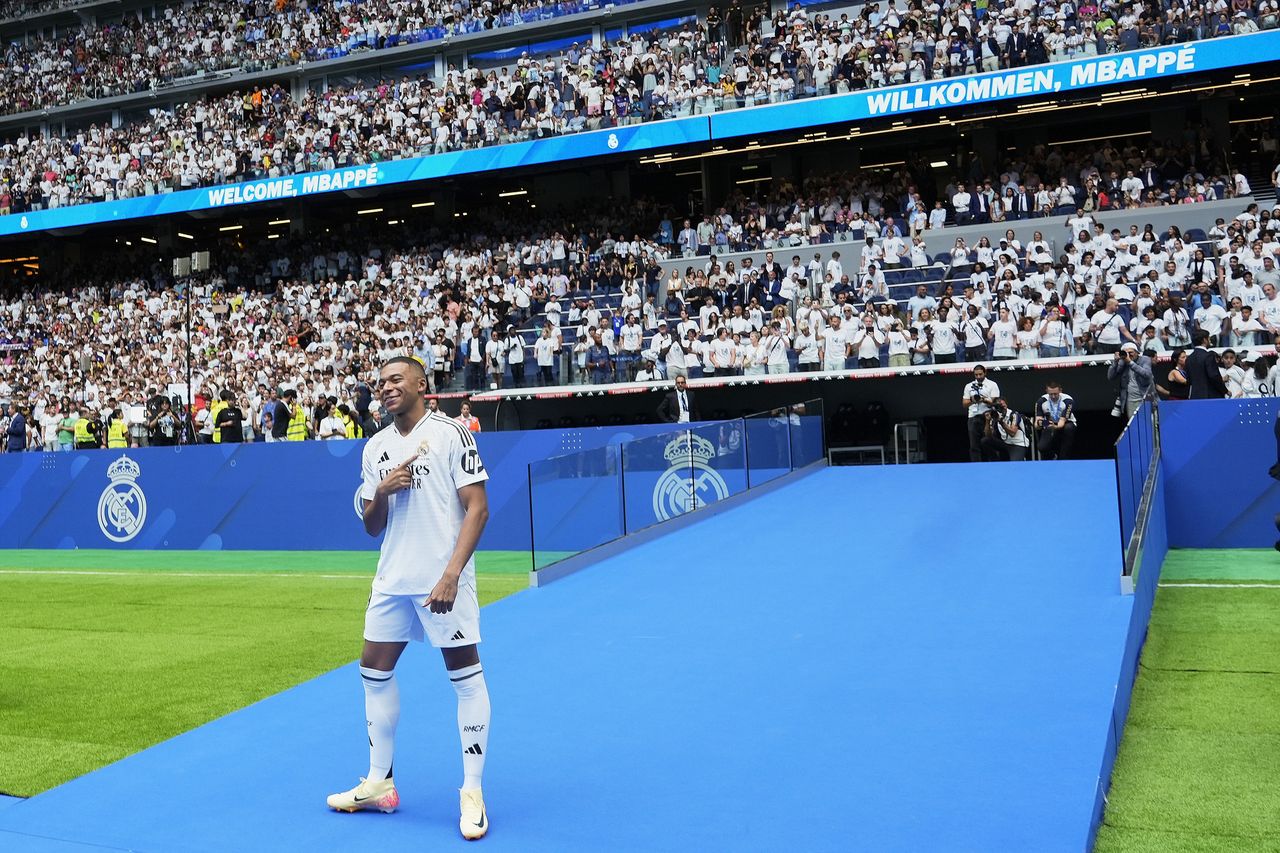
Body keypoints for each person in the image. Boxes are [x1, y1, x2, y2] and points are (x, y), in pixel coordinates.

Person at [327, 356, 492, 841]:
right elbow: (371, 526)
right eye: (381, 383)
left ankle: (473, 790)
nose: (387, 388)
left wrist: (452, 575)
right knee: (372, 670)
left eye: (396, 379)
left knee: (465, 678)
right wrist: (381, 491)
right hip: (392, 578)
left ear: (422, 384)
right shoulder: (376, 446)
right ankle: (379, 782)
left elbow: (478, 509)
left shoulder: (451, 433)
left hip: (442, 578)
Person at [963, 365, 1000, 462]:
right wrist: (973, 400)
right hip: (973, 416)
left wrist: (984, 399)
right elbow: (964, 403)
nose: (978, 377)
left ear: (985, 373)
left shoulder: (992, 384)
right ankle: (976, 466)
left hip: (987, 416)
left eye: (980, 374)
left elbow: (995, 402)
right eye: (976, 375)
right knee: (974, 445)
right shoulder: (969, 386)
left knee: (989, 442)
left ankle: (994, 463)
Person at [1107, 342, 1154, 418]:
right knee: (1134, 422)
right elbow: (1110, 376)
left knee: (1149, 421)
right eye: (1126, 353)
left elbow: (1147, 374)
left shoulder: (1145, 359)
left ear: (1137, 352)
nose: (1128, 355)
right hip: (1131, 399)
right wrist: (1115, 362)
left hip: (1145, 397)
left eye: (1130, 352)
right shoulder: (1123, 362)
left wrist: (1130, 363)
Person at [1033, 382, 1076, 460]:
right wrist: (1044, 423)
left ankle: (1063, 459)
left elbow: (1062, 422)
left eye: (1055, 394)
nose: (1053, 396)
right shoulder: (1041, 401)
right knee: (1042, 447)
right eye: (1050, 394)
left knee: (1068, 428)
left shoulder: (1068, 400)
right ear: (1046, 391)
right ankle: (1052, 456)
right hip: (1050, 423)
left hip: (1066, 423)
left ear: (1060, 391)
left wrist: (1054, 426)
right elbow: (1037, 424)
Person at [1185, 330, 1229, 399]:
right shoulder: (1208, 356)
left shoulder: (1189, 358)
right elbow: (1214, 376)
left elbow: (1188, 379)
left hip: (1195, 397)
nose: (1210, 340)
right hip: (1210, 397)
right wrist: (1225, 390)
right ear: (1205, 340)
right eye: (1209, 338)